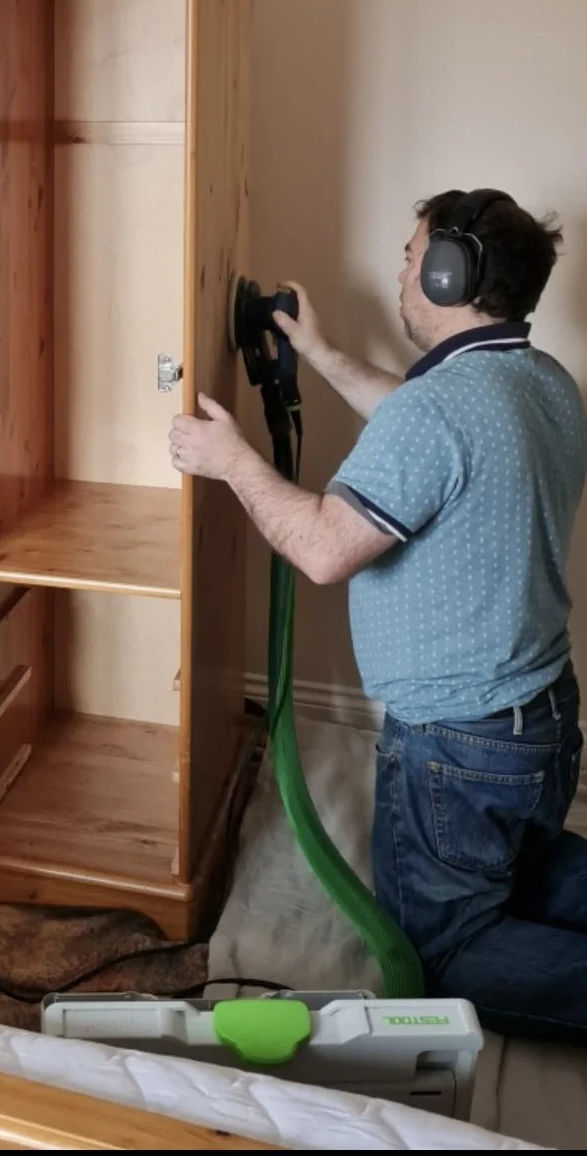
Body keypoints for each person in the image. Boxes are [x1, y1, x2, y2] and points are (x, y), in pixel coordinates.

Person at [169, 189, 587, 1043]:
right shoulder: (540, 382)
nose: (401, 271)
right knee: (528, 873)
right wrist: (318, 350)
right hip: (542, 720)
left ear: (449, 274)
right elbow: (421, 433)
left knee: (445, 955)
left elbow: (322, 548)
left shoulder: (439, 415)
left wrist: (232, 462)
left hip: (459, 750)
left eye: (410, 255)